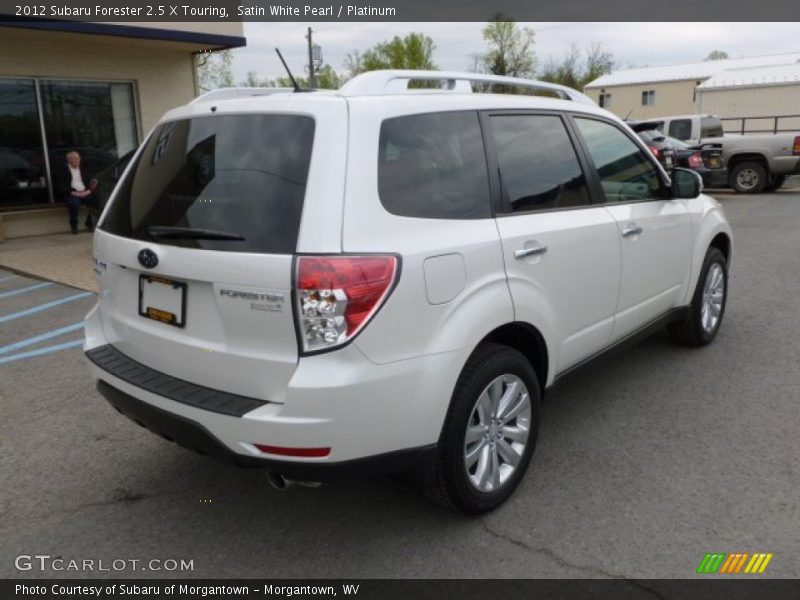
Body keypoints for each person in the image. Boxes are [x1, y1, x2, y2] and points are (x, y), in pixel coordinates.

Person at [55, 150, 98, 234]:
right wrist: (74, 193)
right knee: (74, 204)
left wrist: (88, 191)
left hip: (85, 192)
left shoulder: (84, 169)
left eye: (78, 159)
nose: (77, 161)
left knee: (95, 201)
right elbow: (60, 187)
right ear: (69, 160)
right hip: (71, 193)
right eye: (74, 159)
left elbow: (92, 181)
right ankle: (74, 225)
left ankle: (89, 223)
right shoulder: (62, 171)